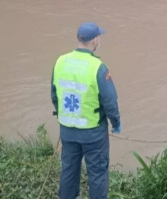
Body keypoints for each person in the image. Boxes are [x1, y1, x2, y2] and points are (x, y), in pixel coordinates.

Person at [52, 23, 121, 199]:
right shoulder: (98, 67)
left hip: (67, 130)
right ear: (96, 40)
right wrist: (116, 123)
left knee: (68, 170)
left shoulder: (60, 61)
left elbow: (54, 95)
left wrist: (63, 116)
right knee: (97, 174)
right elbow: (110, 101)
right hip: (93, 133)